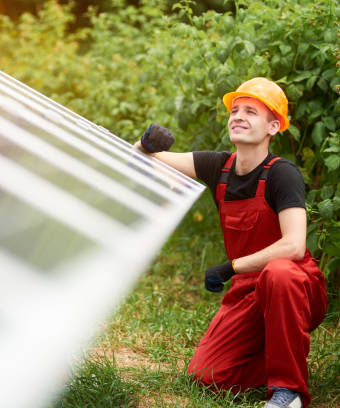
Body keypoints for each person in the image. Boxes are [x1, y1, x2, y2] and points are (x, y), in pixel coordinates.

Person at [135, 77, 327, 408]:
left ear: (273, 125)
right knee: (207, 376)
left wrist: (231, 266)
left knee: (279, 272)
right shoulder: (217, 166)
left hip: (294, 285)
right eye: (235, 110)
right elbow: (143, 162)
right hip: (247, 291)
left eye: (250, 111)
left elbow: (294, 247)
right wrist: (145, 144)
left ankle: (288, 392)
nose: (237, 115)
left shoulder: (283, 174)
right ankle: (284, 354)